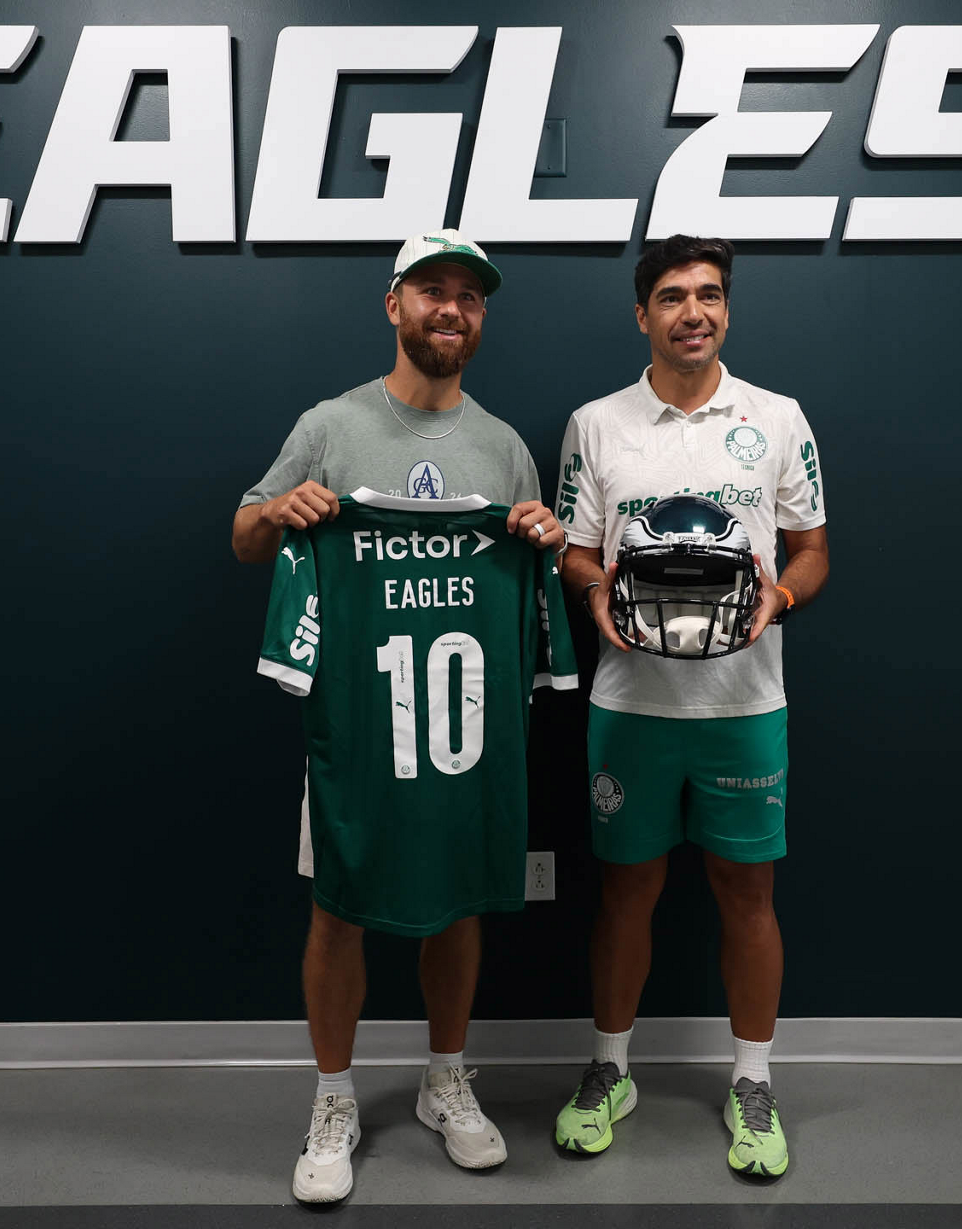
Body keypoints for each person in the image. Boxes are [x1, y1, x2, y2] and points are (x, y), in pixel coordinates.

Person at [231, 229, 567, 1204]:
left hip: (460, 727)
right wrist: (280, 511)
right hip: (357, 724)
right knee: (338, 905)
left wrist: (542, 534)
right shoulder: (330, 426)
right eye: (432, 290)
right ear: (394, 304)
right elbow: (243, 533)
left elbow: (531, 567)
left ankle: (444, 1078)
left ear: (481, 315)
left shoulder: (503, 446)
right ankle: (332, 1097)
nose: (450, 308)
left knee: (456, 899)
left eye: (469, 295)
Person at [552, 235, 829, 1178]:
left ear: (727, 309)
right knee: (625, 891)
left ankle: (753, 1079)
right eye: (672, 296)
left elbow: (813, 550)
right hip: (630, 700)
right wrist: (594, 589)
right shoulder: (597, 423)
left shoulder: (777, 417)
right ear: (643, 315)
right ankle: (611, 1067)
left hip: (744, 702)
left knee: (747, 894)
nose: (693, 312)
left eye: (709, 294)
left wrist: (778, 597)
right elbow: (575, 549)